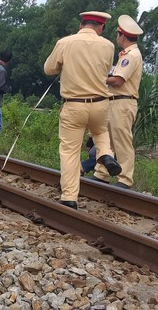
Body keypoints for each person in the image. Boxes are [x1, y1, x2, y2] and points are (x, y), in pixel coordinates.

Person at [43, 11, 122, 210]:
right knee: (100, 132)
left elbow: (49, 69)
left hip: (74, 104)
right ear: (101, 27)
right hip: (100, 103)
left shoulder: (65, 42)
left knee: (70, 151)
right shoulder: (109, 46)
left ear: (81, 25)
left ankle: (69, 197)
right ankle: (104, 154)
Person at [92, 15, 144, 189]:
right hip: (115, 101)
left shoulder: (131, 55)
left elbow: (118, 80)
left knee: (122, 140)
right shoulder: (127, 55)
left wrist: (99, 78)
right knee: (107, 139)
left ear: (121, 35)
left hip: (123, 102)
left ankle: (125, 178)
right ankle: (102, 173)